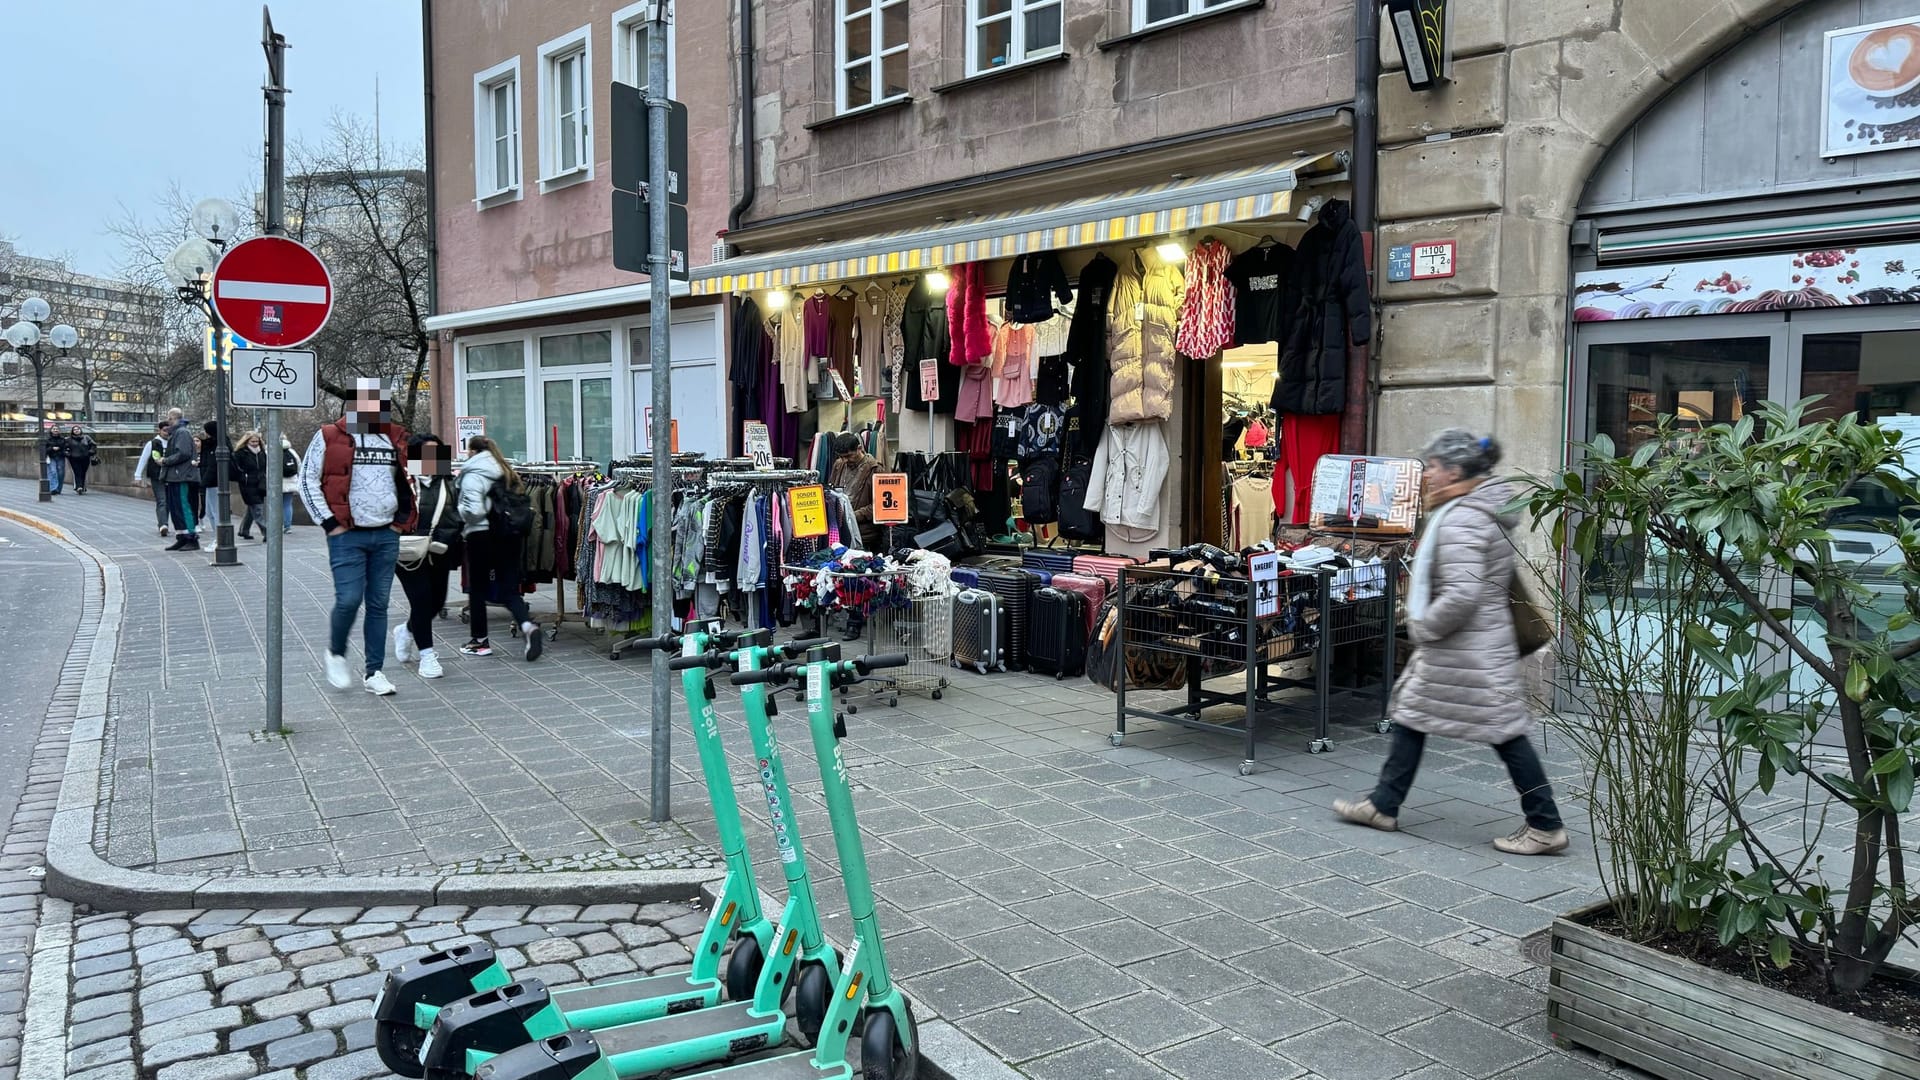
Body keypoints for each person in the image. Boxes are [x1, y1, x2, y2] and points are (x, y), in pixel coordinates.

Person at [1333, 430, 1570, 856]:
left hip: (1470, 649)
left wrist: (1424, 625)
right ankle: (1383, 804)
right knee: (1412, 715)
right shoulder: (1473, 508)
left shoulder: (1463, 517)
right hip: (1467, 647)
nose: (1428, 474)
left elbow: (1463, 593)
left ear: (1455, 471)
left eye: (1434, 466)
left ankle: (1545, 824)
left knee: (1505, 732)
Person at [300, 380, 417, 696]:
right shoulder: (328, 436)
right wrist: (329, 524)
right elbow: (307, 480)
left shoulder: (394, 437)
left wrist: (403, 522)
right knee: (349, 599)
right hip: (346, 535)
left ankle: (374, 671)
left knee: (379, 604)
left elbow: (420, 476)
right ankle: (336, 653)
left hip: (386, 534)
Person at [455, 435, 542, 661]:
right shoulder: (506, 471)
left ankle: (480, 641)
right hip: (510, 535)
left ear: (473, 452)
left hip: (481, 535)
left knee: (478, 589)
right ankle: (527, 625)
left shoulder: (473, 473)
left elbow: (473, 510)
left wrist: (460, 516)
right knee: (509, 589)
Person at [393, 432, 464, 680]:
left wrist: (449, 537)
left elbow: (456, 515)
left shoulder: (449, 481)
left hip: (438, 550)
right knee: (421, 601)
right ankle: (427, 655)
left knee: (436, 603)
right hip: (408, 551)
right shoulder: (402, 479)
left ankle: (406, 630)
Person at [827, 431, 883, 640]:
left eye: (849, 456)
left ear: (860, 448)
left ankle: (854, 623)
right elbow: (831, 490)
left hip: (864, 532)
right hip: (840, 529)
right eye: (843, 456)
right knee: (837, 574)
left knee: (858, 579)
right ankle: (829, 620)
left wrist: (853, 515)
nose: (846, 460)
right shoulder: (839, 465)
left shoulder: (876, 470)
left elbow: (879, 506)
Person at [158, 410, 201, 550]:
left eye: (170, 418)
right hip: (176, 475)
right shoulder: (177, 432)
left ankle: (191, 537)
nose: (168, 421)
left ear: (175, 418)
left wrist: (166, 460)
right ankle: (182, 536)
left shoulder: (181, 432)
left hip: (182, 475)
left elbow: (183, 453)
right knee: (177, 508)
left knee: (184, 507)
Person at [232, 430, 269, 541]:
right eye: (253, 441)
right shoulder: (240, 453)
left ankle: (243, 530)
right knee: (257, 509)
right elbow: (235, 468)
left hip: (260, 484)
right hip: (247, 484)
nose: (255, 443)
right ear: (247, 441)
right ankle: (267, 532)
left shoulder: (262, 452)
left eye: (257, 441)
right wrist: (243, 477)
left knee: (252, 508)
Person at [139, 420, 172, 536]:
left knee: (168, 501)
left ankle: (164, 523)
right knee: (162, 500)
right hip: (157, 475)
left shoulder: (173, 442)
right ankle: (163, 524)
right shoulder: (153, 443)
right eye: (164, 430)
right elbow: (143, 459)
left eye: (169, 430)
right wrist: (137, 475)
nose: (167, 433)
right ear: (160, 430)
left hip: (170, 475)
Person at [196, 420, 221, 522]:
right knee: (210, 511)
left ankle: (219, 535)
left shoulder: (215, 445)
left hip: (213, 482)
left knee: (214, 511)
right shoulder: (210, 444)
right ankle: (217, 535)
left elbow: (212, 465)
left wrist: (204, 482)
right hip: (209, 481)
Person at [279, 434, 302, 534]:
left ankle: (276, 525)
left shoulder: (269, 451)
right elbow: (299, 466)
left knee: (275, 505)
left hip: (276, 483)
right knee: (287, 504)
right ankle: (287, 526)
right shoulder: (292, 451)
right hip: (291, 482)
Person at [64, 424, 96, 494]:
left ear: (80, 430)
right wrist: (68, 454)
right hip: (74, 458)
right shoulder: (69, 439)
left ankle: (82, 486)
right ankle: (79, 487)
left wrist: (90, 452)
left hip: (85, 457)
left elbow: (93, 445)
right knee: (77, 472)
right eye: (75, 430)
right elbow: (64, 448)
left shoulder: (86, 437)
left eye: (77, 429)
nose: (76, 431)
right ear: (72, 431)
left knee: (83, 472)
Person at [43, 425, 66, 495]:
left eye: (57, 429)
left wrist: (61, 450)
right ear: (51, 430)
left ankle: (58, 489)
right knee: (53, 472)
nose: (55, 430)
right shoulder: (47, 439)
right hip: (51, 457)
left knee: (60, 473)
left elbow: (66, 448)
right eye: (54, 429)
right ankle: (53, 488)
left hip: (60, 457)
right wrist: (52, 448)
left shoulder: (63, 439)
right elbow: (44, 450)